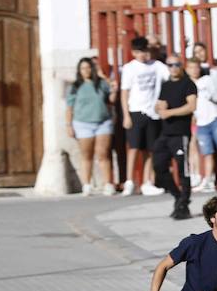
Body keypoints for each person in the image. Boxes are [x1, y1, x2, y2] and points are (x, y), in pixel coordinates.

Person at [119, 36, 169, 197]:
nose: (142, 54)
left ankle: (147, 182)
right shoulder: (129, 68)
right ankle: (129, 181)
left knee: (150, 150)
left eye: (145, 51)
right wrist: (126, 115)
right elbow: (124, 92)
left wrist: (158, 46)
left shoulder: (156, 66)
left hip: (152, 113)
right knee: (133, 148)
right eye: (139, 52)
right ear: (133, 52)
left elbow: (169, 75)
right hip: (135, 111)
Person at [154, 53, 197, 220]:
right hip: (165, 133)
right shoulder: (165, 85)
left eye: (176, 65)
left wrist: (169, 112)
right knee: (158, 166)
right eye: (170, 65)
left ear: (182, 65)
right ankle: (177, 195)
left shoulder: (188, 84)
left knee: (182, 170)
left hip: (181, 133)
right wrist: (160, 108)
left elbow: (191, 106)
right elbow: (160, 105)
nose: (173, 68)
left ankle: (184, 204)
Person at [65, 57, 115, 196]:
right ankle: (86, 184)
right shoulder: (75, 87)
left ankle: (107, 183)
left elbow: (111, 99)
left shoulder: (101, 84)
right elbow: (69, 107)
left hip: (102, 122)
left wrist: (108, 82)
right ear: (79, 71)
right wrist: (69, 125)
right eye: (83, 68)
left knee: (103, 153)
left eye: (88, 67)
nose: (86, 71)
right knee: (86, 155)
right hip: (83, 123)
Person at [187, 57, 217, 191]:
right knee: (207, 152)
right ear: (187, 69)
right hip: (200, 122)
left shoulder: (207, 80)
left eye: (196, 67)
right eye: (191, 67)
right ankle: (207, 179)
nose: (194, 70)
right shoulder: (187, 85)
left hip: (215, 117)